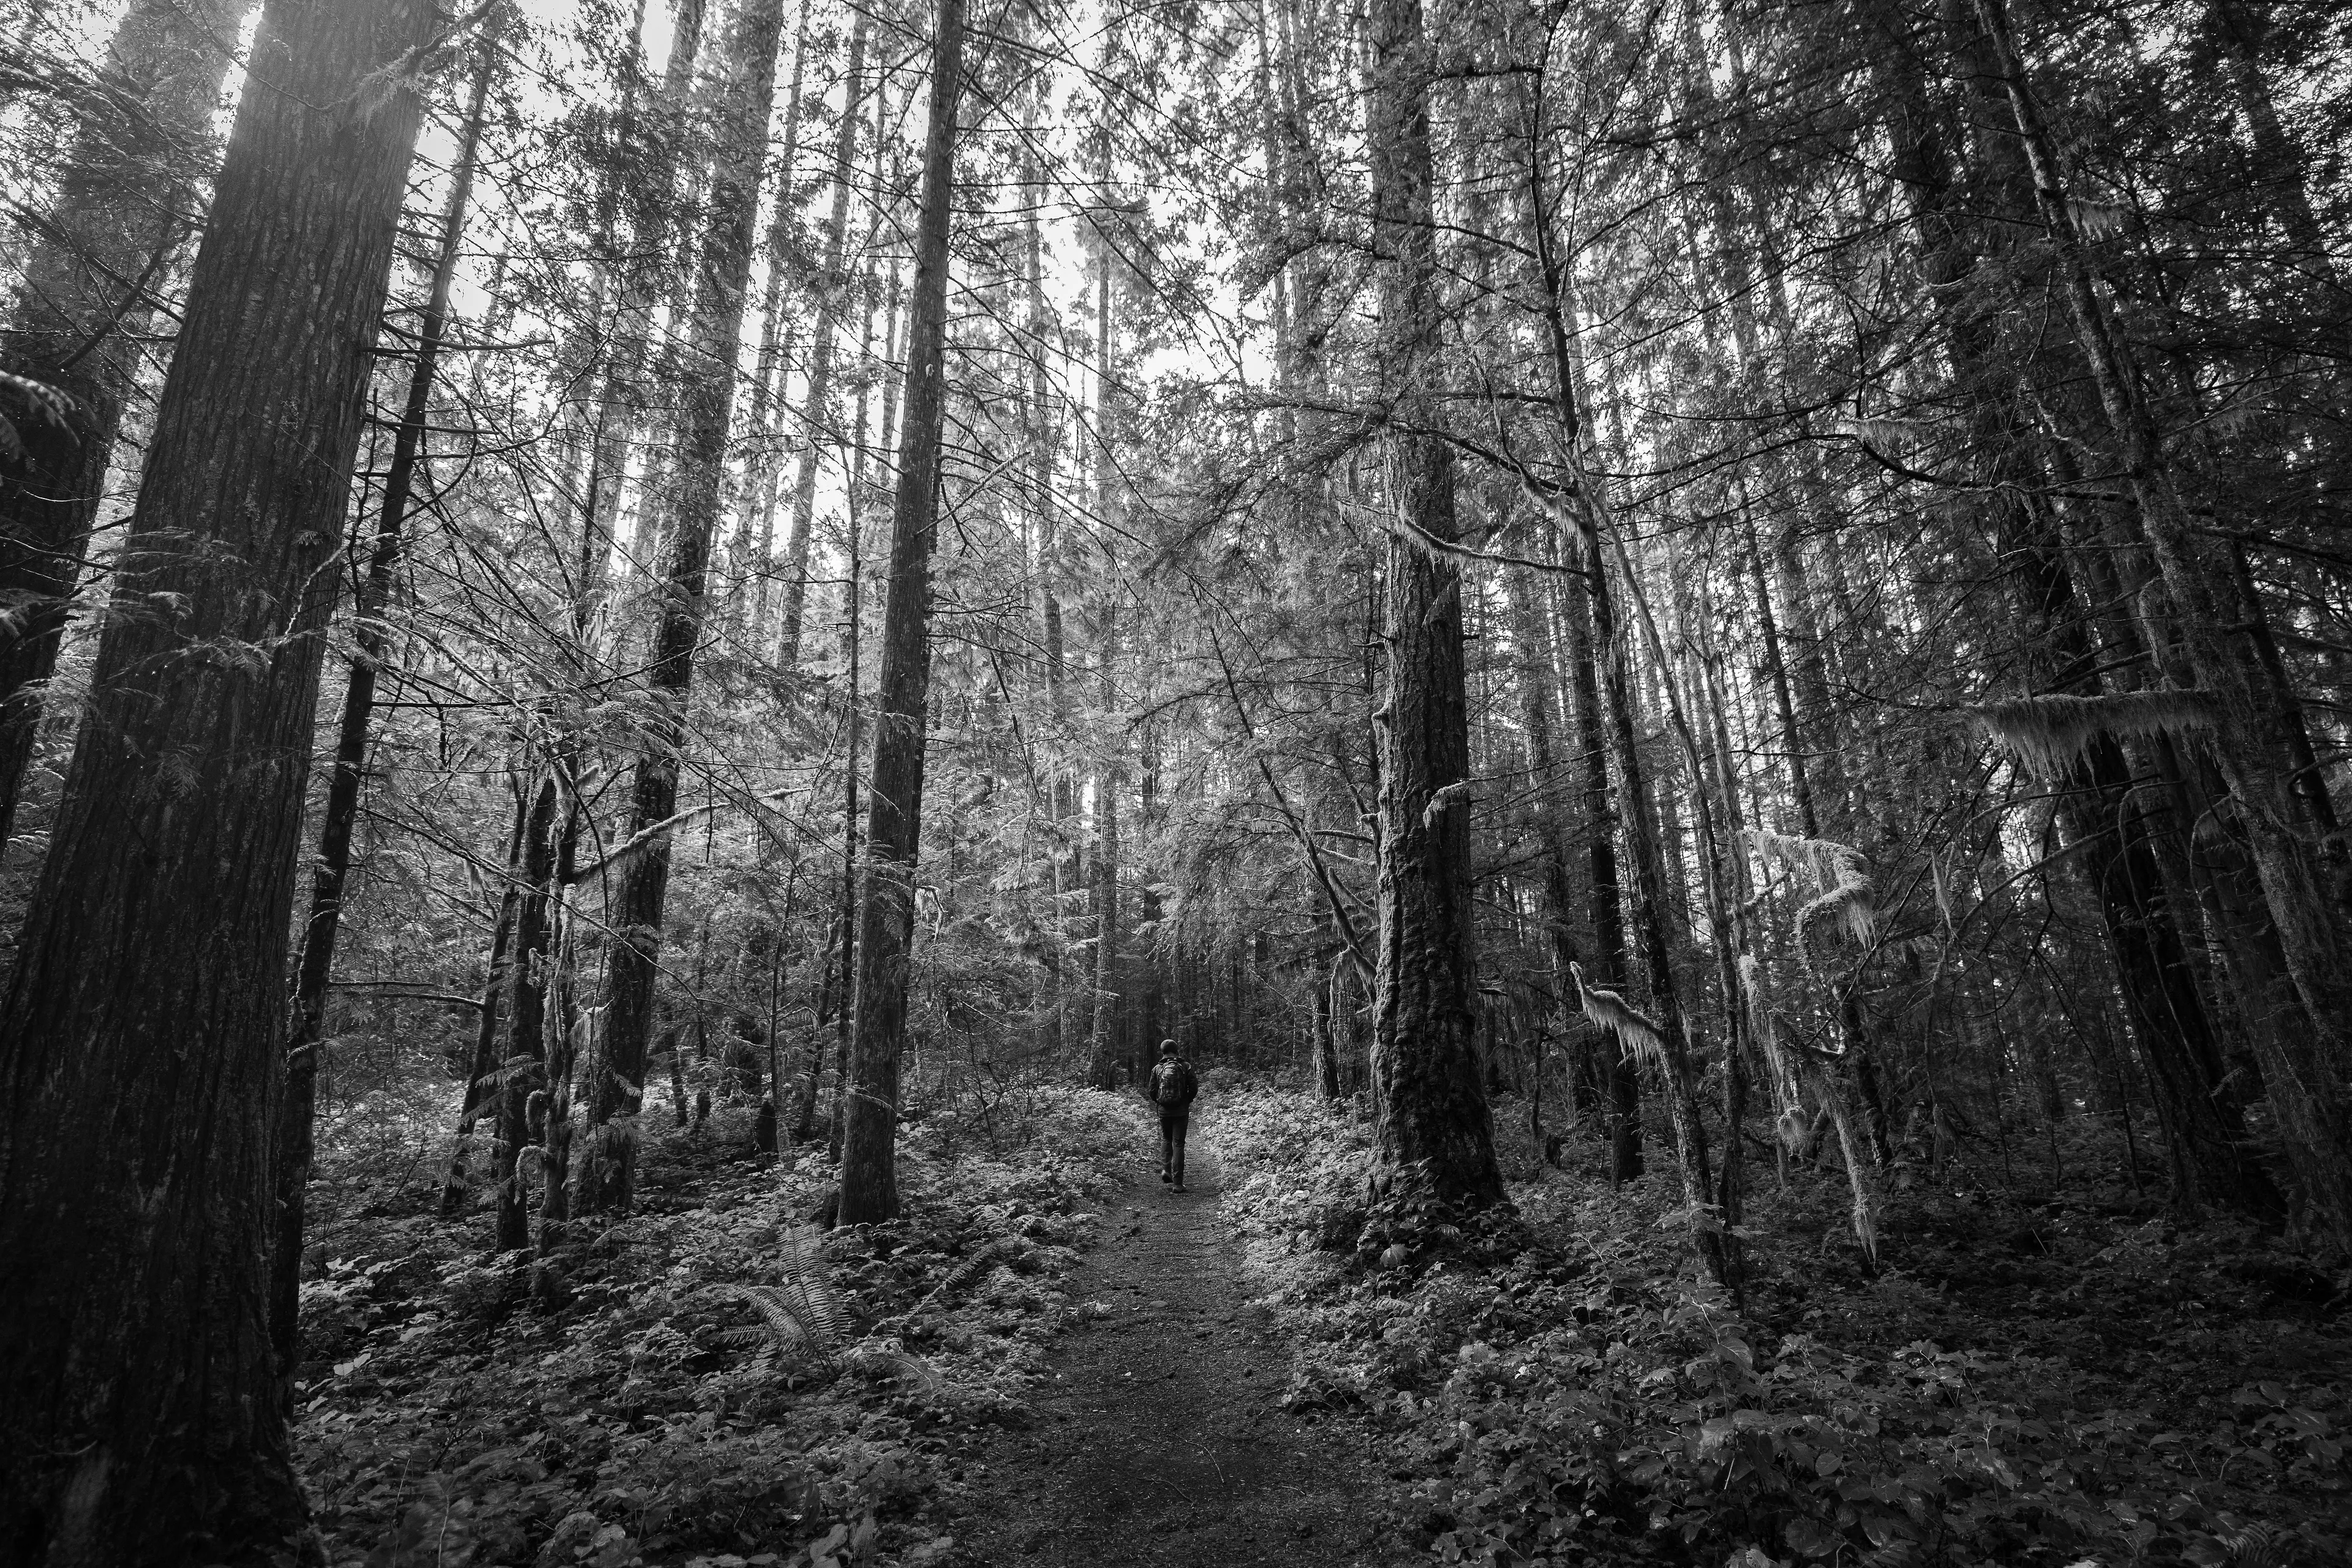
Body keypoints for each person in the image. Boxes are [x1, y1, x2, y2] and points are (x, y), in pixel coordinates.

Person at [1147, 1041, 1198, 1191]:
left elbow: (1152, 1090)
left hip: (1164, 1111)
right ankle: (1178, 1183)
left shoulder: (1157, 1068)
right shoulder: (1185, 1066)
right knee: (1179, 1143)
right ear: (1177, 1051)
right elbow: (1194, 1087)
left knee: (1166, 1139)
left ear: (1162, 1052)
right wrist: (1186, 1100)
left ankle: (1166, 1171)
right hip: (1181, 1111)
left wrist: (1160, 1102)